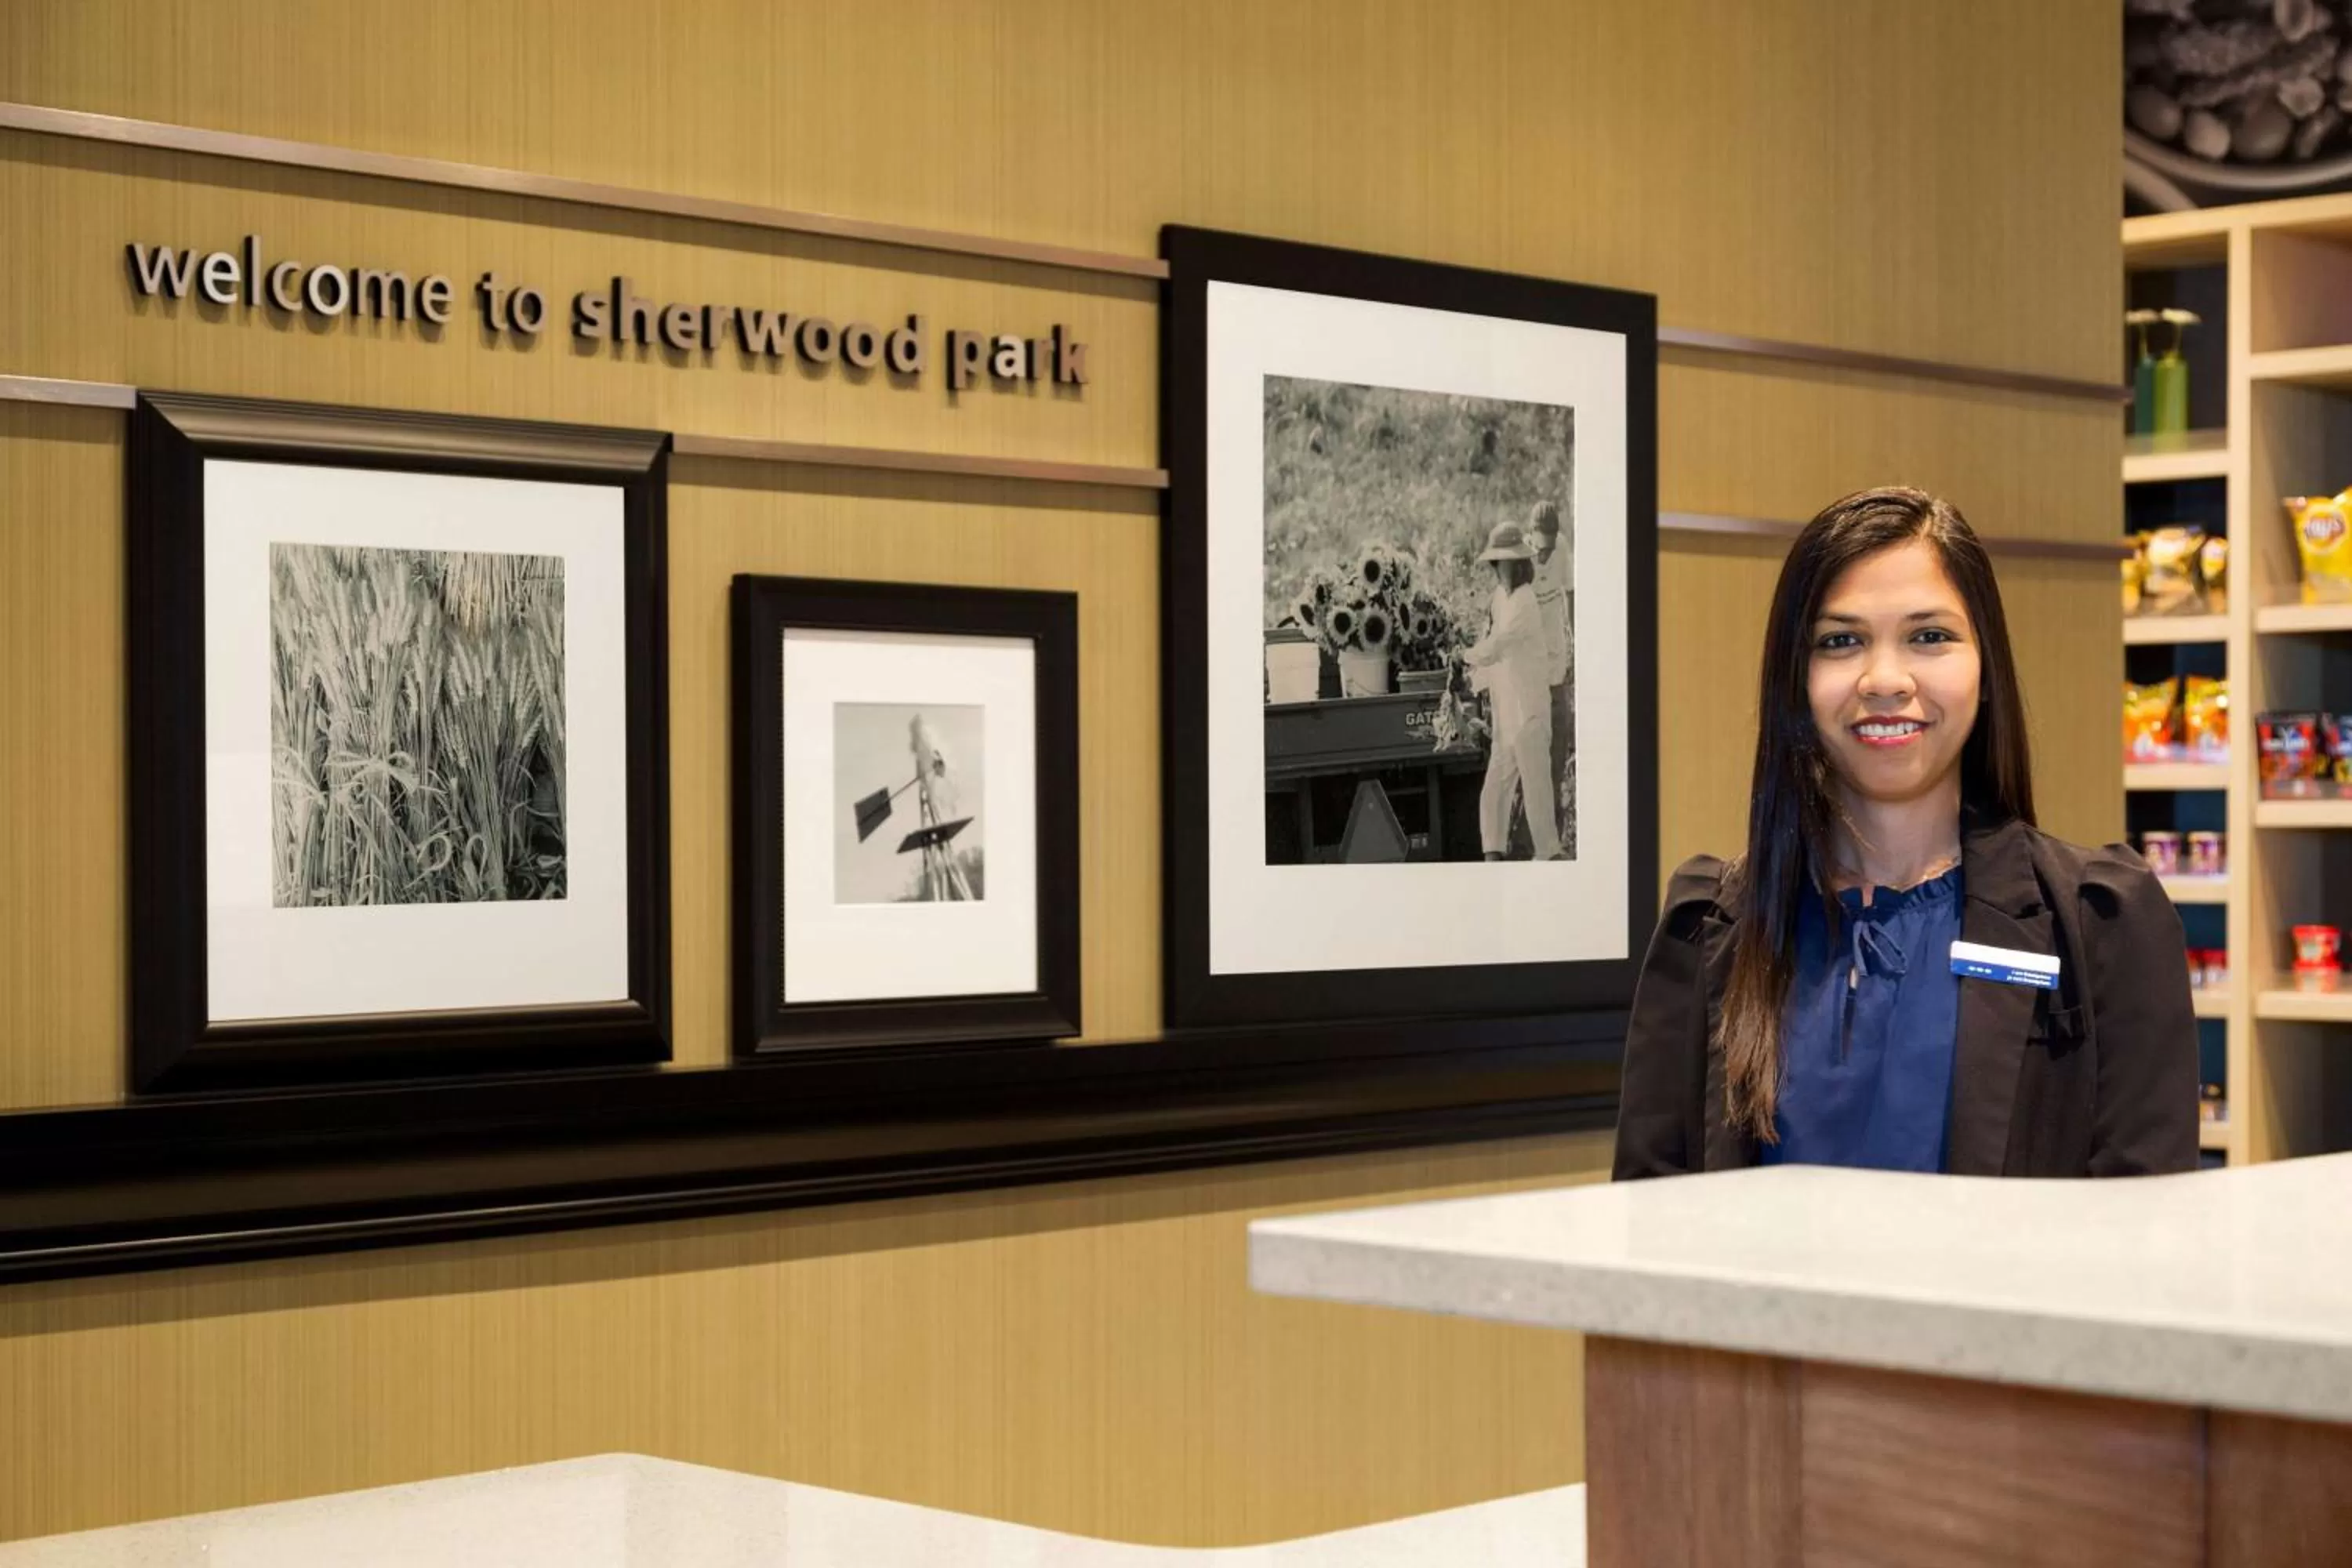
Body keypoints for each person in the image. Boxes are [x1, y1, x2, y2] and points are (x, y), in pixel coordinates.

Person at [1613, 487, 2197, 1179]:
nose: (1885, 679)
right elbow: (1651, 1230)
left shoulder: (2103, 922)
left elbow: (2142, 1241)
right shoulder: (1708, 927)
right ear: (1793, 680)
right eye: (1841, 641)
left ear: (1987, 669)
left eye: (1930, 636)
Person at [1462, 521, 1563, 862]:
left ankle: (1548, 855)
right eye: (1498, 562)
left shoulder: (1525, 601)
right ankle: (1492, 851)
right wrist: (1474, 678)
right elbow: (1494, 656)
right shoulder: (1498, 600)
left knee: (1536, 790)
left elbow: (1498, 645)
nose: (1500, 568)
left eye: (1506, 561)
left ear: (1518, 563)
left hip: (1530, 712)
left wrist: (1464, 655)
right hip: (1508, 713)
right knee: (1495, 788)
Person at [1528, 501, 1573, 844]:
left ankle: (1555, 836)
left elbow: (1571, 597)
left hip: (1557, 668)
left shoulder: (1562, 550)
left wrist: (1576, 646)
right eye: (1540, 548)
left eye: (1549, 546)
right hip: (1531, 672)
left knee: (1557, 758)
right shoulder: (1520, 559)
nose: (1544, 555)